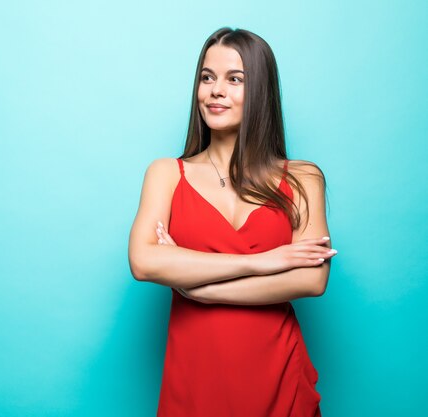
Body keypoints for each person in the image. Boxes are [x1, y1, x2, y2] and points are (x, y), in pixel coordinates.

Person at [127, 27, 336, 417]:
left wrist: (200, 289)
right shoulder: (166, 174)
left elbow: (311, 279)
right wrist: (260, 261)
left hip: (279, 373)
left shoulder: (303, 177)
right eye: (207, 78)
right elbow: (143, 262)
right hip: (195, 378)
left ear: (261, 91)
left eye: (234, 79)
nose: (215, 91)